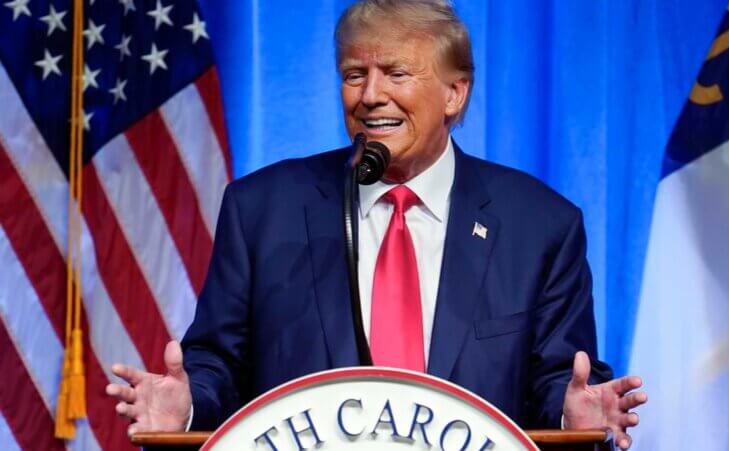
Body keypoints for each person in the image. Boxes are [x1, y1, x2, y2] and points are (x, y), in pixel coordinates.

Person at [106, 0, 647, 448]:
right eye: (354, 75)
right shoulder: (261, 209)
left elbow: (556, 379)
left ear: (454, 94)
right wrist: (188, 402)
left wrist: (574, 418)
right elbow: (219, 363)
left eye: (396, 73)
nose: (370, 96)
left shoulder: (540, 225)